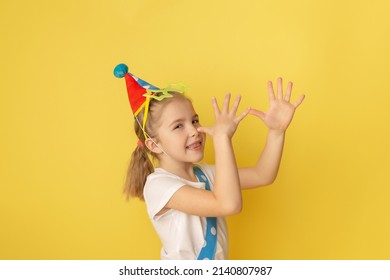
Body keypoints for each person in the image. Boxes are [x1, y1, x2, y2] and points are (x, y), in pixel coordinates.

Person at [114, 64, 305, 260]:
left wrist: (276, 132)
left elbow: (262, 174)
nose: (194, 130)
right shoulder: (158, 186)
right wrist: (222, 138)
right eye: (178, 126)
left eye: (194, 120)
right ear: (153, 144)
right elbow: (227, 205)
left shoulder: (206, 174)